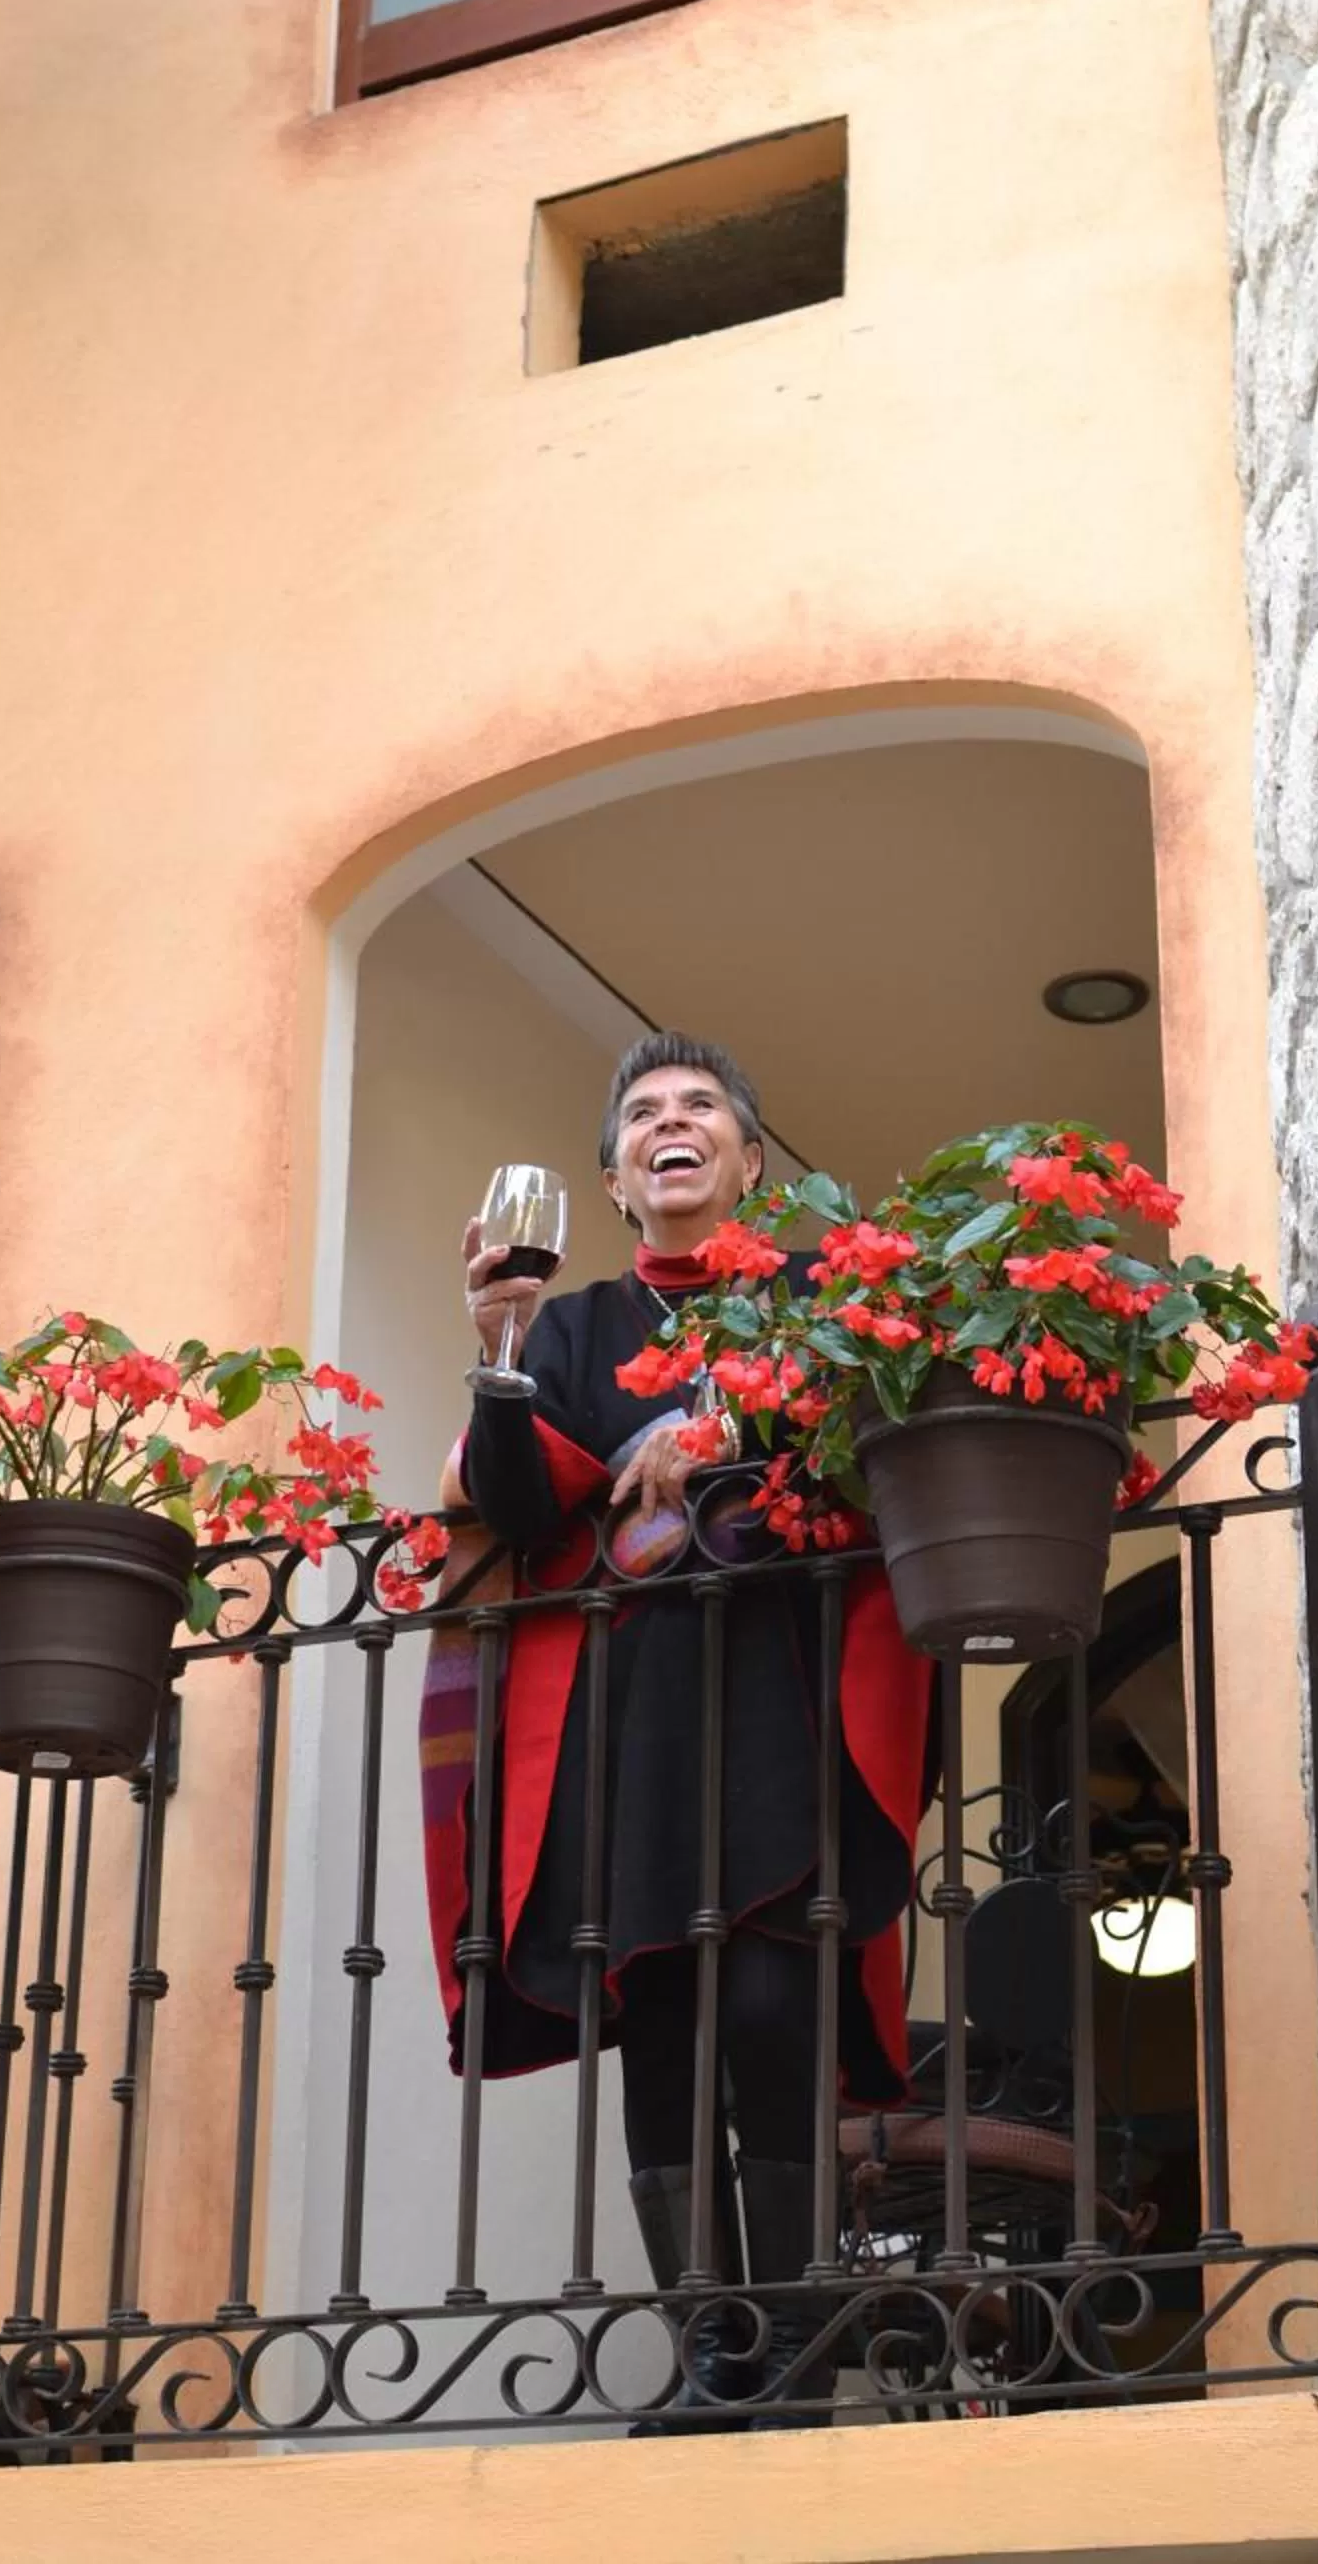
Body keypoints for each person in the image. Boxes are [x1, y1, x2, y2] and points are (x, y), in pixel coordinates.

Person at [419, 1032, 933, 2428]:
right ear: (615, 1179)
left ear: (750, 1163)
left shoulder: (815, 1298)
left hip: (775, 1689)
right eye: (644, 1115)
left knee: (770, 2002)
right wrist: (504, 1352)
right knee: (659, 2015)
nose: (672, 1124)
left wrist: (725, 1423)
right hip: (625, 1720)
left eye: (700, 1108)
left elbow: (868, 1428)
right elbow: (522, 1513)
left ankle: (799, 2339)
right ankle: (714, 2356)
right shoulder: (577, 1327)